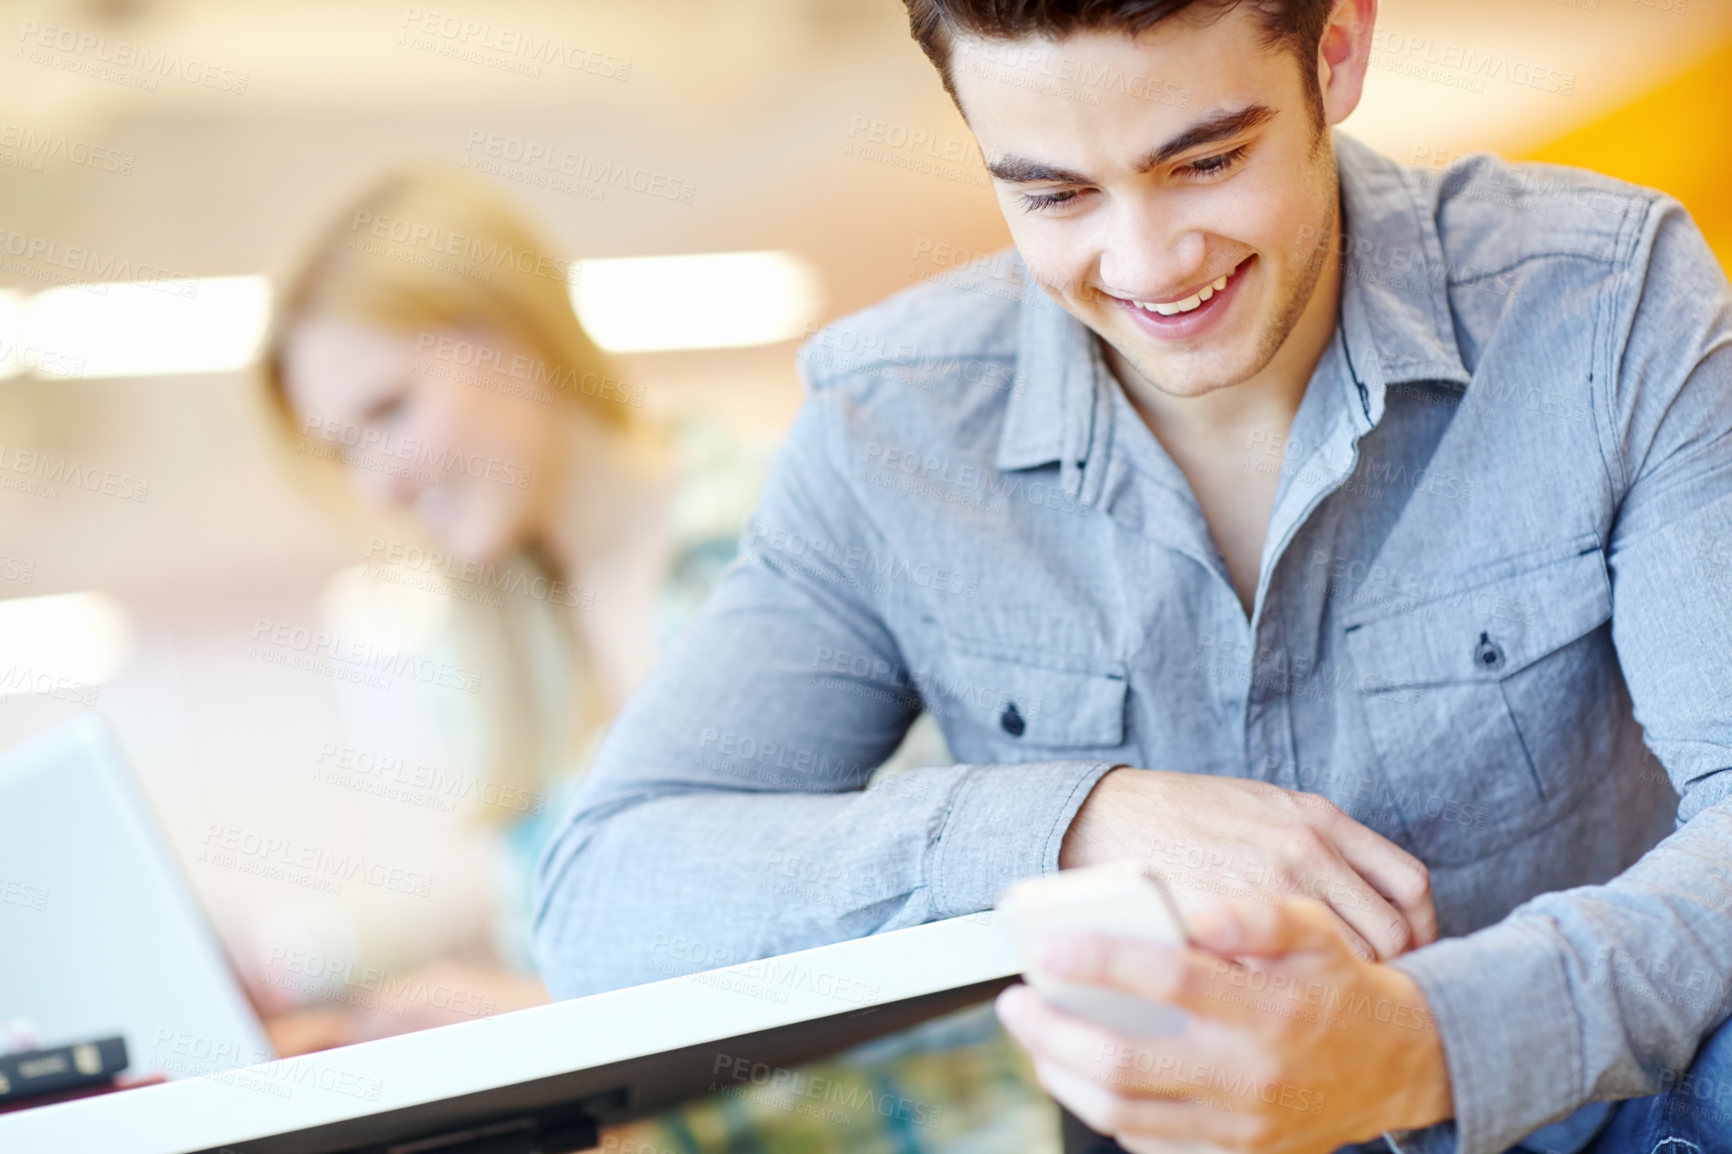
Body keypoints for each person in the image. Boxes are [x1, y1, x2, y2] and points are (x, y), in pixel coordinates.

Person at [529, 2, 1732, 1153]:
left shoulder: (1605, 301)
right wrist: (1073, 822)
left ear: (1339, 51)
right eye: (1053, 194)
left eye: (1205, 161)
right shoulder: (887, 430)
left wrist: (1426, 1044)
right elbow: (604, 899)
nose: (1147, 262)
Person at [260, 163, 1051, 1152]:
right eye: (343, 450)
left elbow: (970, 934)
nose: (375, 484)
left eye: (388, 412)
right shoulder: (484, 667)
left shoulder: (799, 521)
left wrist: (567, 1020)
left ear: (509, 336)